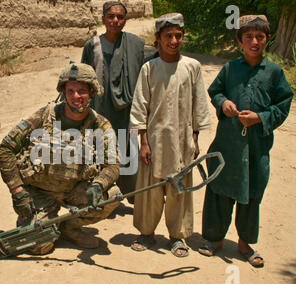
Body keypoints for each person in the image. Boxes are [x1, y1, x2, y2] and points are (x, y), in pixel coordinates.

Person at [198, 15, 293, 267]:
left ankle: (245, 243)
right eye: (248, 37)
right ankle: (214, 238)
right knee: (219, 188)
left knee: (251, 192)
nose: (254, 41)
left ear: (267, 40)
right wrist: (224, 103)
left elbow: (283, 105)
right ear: (240, 40)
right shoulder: (230, 69)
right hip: (227, 143)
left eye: (259, 37)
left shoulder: (274, 72)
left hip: (257, 147)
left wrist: (261, 117)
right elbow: (215, 91)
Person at [0, 62, 120, 255]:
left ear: (92, 93)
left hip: (74, 190)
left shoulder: (101, 125)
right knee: (40, 247)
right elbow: (5, 149)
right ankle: (43, 221)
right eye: (70, 91)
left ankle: (69, 228)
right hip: (39, 192)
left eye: (82, 91)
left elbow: (112, 164)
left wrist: (98, 185)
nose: (76, 97)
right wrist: (17, 190)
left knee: (111, 197)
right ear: (63, 92)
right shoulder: (45, 116)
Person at [129, 13, 211, 257]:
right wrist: (143, 142)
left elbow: (199, 105)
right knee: (150, 191)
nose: (173, 41)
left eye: (178, 36)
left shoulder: (192, 67)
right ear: (158, 39)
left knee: (179, 191)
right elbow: (140, 106)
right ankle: (146, 233)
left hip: (182, 140)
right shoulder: (149, 68)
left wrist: (194, 140)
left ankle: (177, 237)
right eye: (168, 36)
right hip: (154, 142)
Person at [81, 1, 145, 202]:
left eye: (120, 17)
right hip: (101, 109)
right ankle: (102, 195)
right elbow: (83, 78)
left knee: (129, 151)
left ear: (125, 20)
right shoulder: (93, 46)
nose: (115, 21)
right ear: (103, 19)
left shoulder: (136, 44)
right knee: (101, 153)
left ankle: (133, 194)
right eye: (111, 16)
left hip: (128, 112)